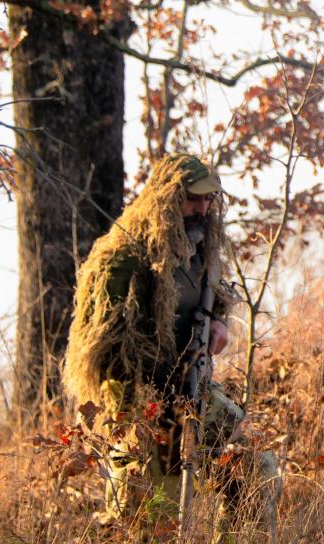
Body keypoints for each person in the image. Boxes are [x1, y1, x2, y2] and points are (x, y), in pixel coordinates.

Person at [63, 153, 244, 524]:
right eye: (193, 198)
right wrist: (163, 398)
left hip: (188, 390)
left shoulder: (198, 251)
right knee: (148, 510)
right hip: (141, 400)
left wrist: (218, 325)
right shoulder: (123, 258)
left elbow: (212, 298)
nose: (202, 208)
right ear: (168, 198)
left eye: (208, 199)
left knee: (252, 467)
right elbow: (106, 352)